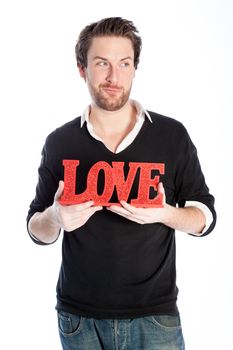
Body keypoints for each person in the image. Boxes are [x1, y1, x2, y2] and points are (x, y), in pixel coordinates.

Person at [27, 17, 216, 350]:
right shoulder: (59, 142)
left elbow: (205, 217)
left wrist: (165, 214)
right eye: (102, 63)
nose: (114, 76)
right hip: (78, 320)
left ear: (134, 68)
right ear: (82, 69)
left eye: (124, 64)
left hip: (155, 317)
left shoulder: (171, 136)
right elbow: (35, 228)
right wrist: (55, 218)